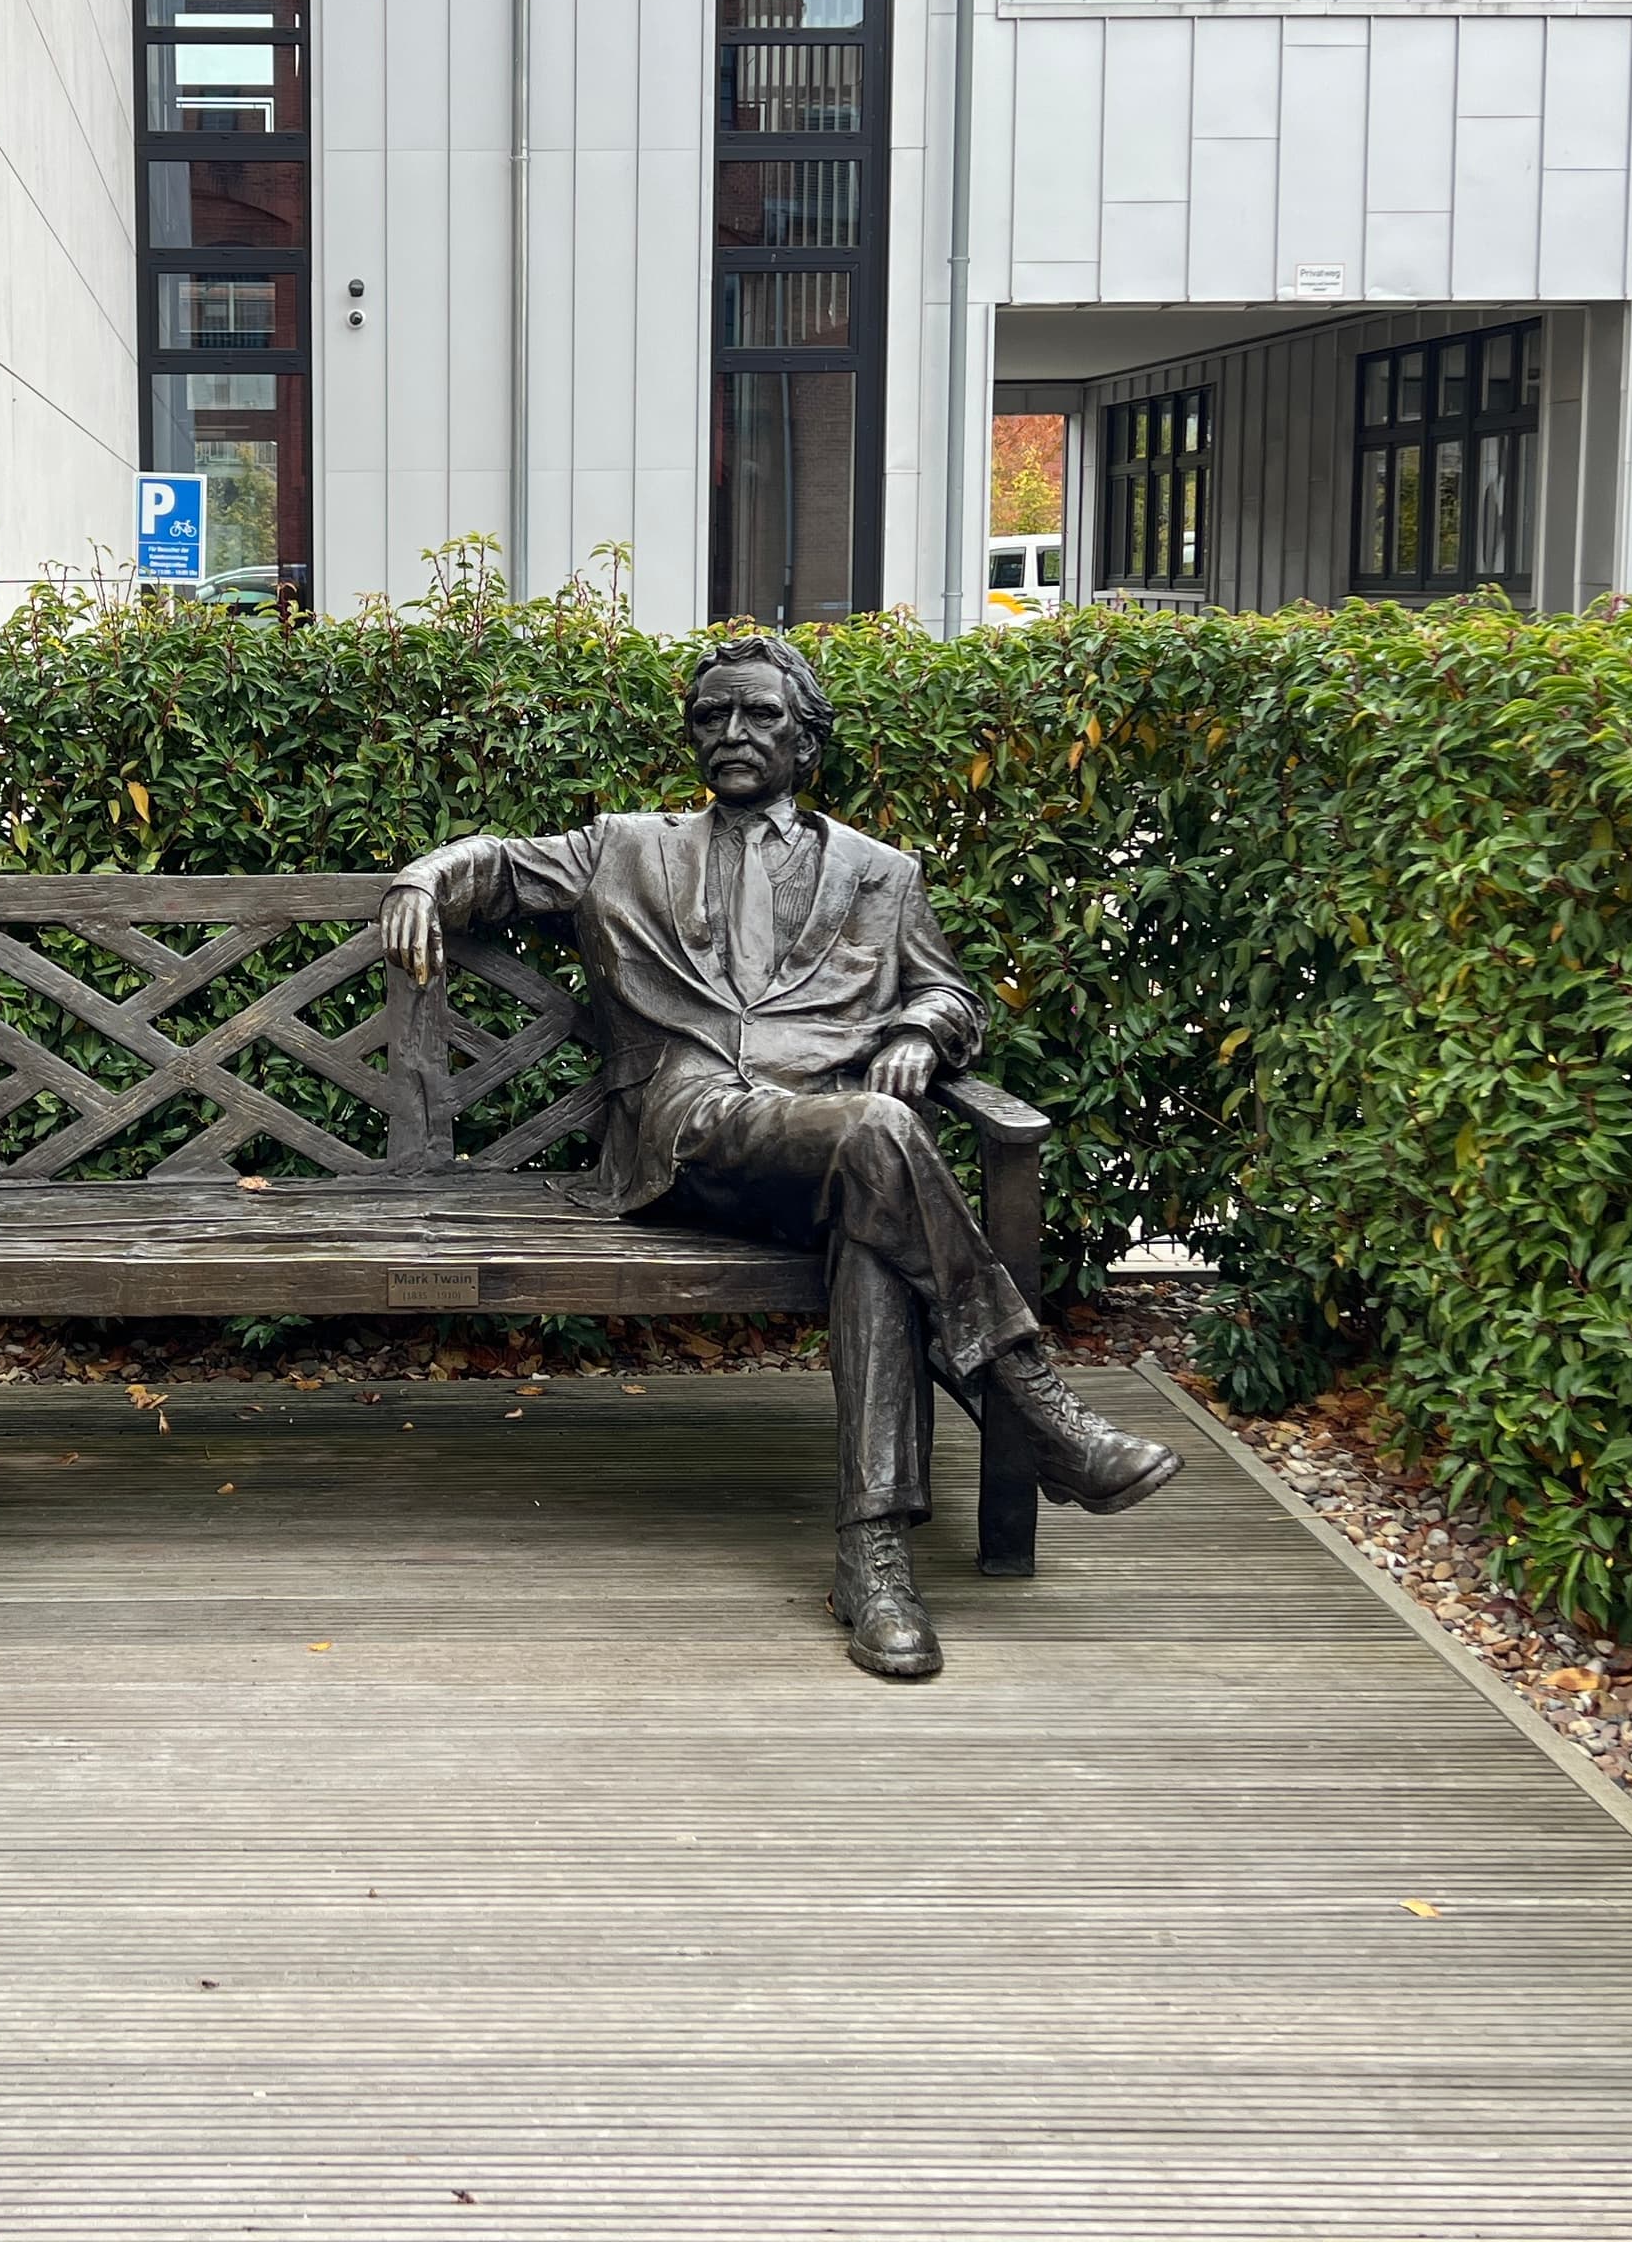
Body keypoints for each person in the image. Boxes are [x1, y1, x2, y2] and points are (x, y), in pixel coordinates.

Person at [380, 631, 1178, 1680]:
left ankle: (874, 1560)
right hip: (691, 1136)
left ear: (808, 740)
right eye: (712, 716)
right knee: (884, 1136)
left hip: (833, 1156)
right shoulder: (624, 847)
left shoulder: (880, 875)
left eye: (758, 714)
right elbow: (496, 865)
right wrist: (420, 880)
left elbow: (948, 994)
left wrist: (915, 1034)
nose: (732, 733)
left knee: (875, 1230)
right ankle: (1034, 1409)